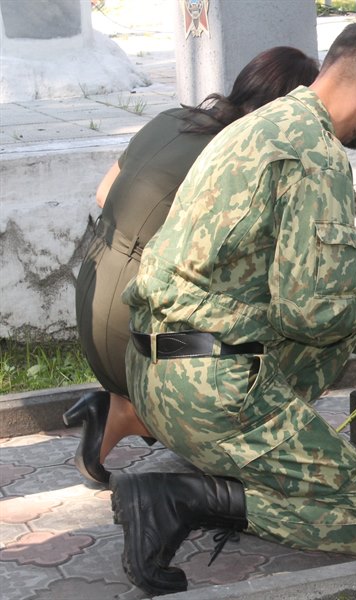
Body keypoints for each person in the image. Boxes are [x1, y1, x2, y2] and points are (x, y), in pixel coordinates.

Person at [109, 22, 356, 596]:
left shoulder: (263, 123)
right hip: (208, 393)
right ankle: (183, 499)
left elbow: (287, 293)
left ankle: (237, 460)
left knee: (331, 329)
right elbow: (307, 315)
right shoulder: (316, 156)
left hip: (151, 375)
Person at [64, 47, 320, 486]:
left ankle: (118, 413)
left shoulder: (171, 119)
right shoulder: (245, 156)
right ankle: (232, 447)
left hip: (92, 300)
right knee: (286, 326)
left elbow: (105, 193)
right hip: (139, 326)